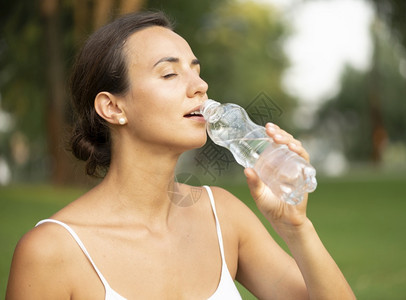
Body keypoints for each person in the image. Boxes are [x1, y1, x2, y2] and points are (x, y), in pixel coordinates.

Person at [6, 11, 355, 300]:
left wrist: (296, 228)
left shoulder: (225, 218)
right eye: (170, 73)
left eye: (196, 70)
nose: (199, 86)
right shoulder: (51, 251)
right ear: (112, 107)